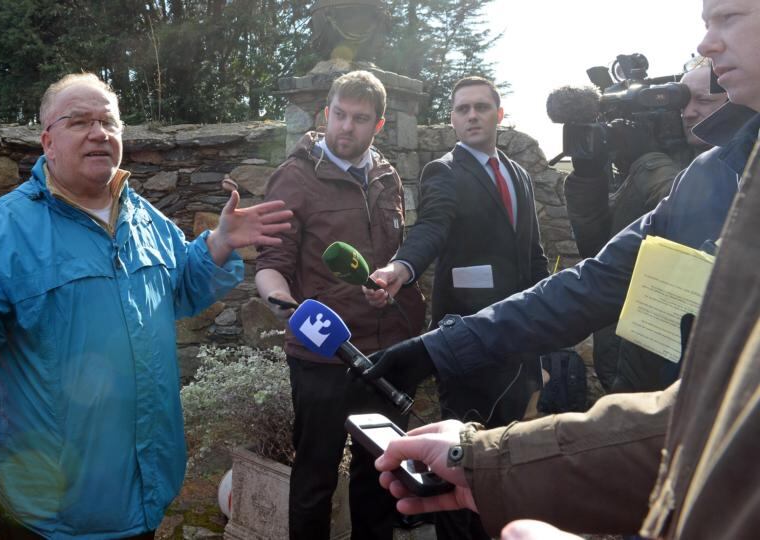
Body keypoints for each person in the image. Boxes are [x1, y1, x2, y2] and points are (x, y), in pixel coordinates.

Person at [371, 0, 760, 537]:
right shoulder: (714, 170)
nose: (709, 43)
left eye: (730, 17)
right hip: (501, 340)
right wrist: (435, 347)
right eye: (705, 24)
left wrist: (484, 457)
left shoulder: (519, 173)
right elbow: (596, 277)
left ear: (499, 113)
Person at [0, 73, 292, 539]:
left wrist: (219, 245)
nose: (98, 132)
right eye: (79, 121)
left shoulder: (144, 217)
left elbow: (182, 287)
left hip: (144, 492)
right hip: (55, 511)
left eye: (108, 121)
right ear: (47, 141)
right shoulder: (3, 232)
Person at [254, 70, 427, 540]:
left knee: (380, 478)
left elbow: (395, 256)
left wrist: (389, 283)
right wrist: (289, 308)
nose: (346, 127)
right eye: (340, 115)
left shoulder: (387, 177)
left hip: (388, 351)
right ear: (326, 113)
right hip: (323, 356)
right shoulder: (293, 178)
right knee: (315, 479)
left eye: (360, 119)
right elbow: (270, 264)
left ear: (379, 125)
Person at [365, 77, 547, 428]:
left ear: (499, 114)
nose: (472, 116)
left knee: (514, 442)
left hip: (520, 336)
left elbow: (534, 255)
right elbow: (432, 227)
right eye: (463, 109)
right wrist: (400, 268)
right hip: (468, 336)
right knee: (466, 445)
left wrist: (549, 323)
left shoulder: (520, 175)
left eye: (482, 107)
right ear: (452, 119)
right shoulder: (444, 172)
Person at [563, 59, 727, 393]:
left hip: (691, 371)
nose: (689, 112)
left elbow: (698, 222)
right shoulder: (656, 163)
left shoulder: (725, 170)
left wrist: (648, 160)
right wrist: (588, 175)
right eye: (683, 101)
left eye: (704, 101)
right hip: (626, 354)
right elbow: (596, 244)